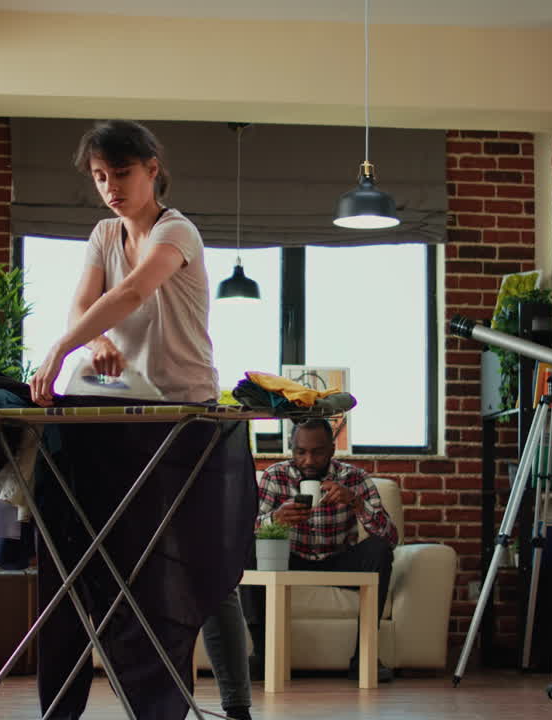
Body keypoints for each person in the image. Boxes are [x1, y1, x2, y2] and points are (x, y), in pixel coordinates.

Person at [29, 120, 253, 720]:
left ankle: (237, 709)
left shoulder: (176, 230)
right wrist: (95, 338)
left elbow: (131, 293)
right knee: (121, 560)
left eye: (121, 174)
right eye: (100, 177)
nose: (110, 187)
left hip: (187, 415)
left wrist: (58, 350)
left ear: (152, 168)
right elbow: (88, 301)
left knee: (205, 563)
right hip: (129, 416)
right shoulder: (103, 234)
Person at [245, 418, 398, 683]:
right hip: (287, 560)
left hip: (337, 559)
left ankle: (365, 659)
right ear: (291, 450)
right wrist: (276, 519)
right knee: (249, 549)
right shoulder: (274, 476)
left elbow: (390, 537)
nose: (308, 460)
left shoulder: (354, 477)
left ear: (331, 450)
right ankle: (263, 655)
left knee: (379, 550)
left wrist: (356, 502)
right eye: (300, 452)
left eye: (317, 452)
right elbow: (245, 530)